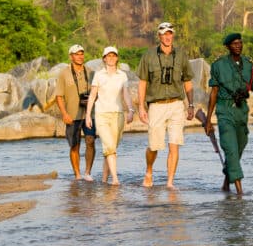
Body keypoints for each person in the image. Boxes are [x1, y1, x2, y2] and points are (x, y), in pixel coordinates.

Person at [204, 33, 253, 195]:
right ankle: (239, 192)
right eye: (234, 43)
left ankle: (226, 183)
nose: (238, 46)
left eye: (240, 43)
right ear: (227, 46)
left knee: (239, 146)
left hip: (242, 110)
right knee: (230, 147)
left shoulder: (249, 65)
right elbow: (214, 92)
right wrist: (208, 119)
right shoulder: (218, 65)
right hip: (224, 109)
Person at [137, 22, 195, 189]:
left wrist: (190, 105)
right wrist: (141, 107)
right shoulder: (148, 56)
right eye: (164, 34)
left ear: (172, 35)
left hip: (177, 105)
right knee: (154, 146)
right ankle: (149, 171)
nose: (168, 36)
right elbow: (142, 83)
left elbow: (188, 82)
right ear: (159, 36)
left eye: (170, 33)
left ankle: (170, 182)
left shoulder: (182, 55)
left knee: (174, 144)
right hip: (156, 105)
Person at [85, 46, 134, 185]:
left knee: (110, 148)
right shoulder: (99, 75)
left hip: (118, 115)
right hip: (102, 115)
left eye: (114, 55)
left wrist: (131, 110)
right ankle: (115, 180)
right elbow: (93, 95)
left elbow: (126, 95)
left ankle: (104, 180)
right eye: (108, 56)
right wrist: (88, 115)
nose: (111, 58)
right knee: (110, 148)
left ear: (117, 58)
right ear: (104, 58)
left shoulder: (122, 75)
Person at [55, 44, 97, 181]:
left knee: (90, 141)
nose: (80, 56)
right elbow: (59, 96)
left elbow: (97, 92)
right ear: (71, 56)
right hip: (72, 115)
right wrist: (64, 114)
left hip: (88, 115)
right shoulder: (64, 74)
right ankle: (77, 174)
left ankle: (87, 172)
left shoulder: (91, 72)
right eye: (77, 54)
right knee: (75, 145)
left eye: (82, 53)